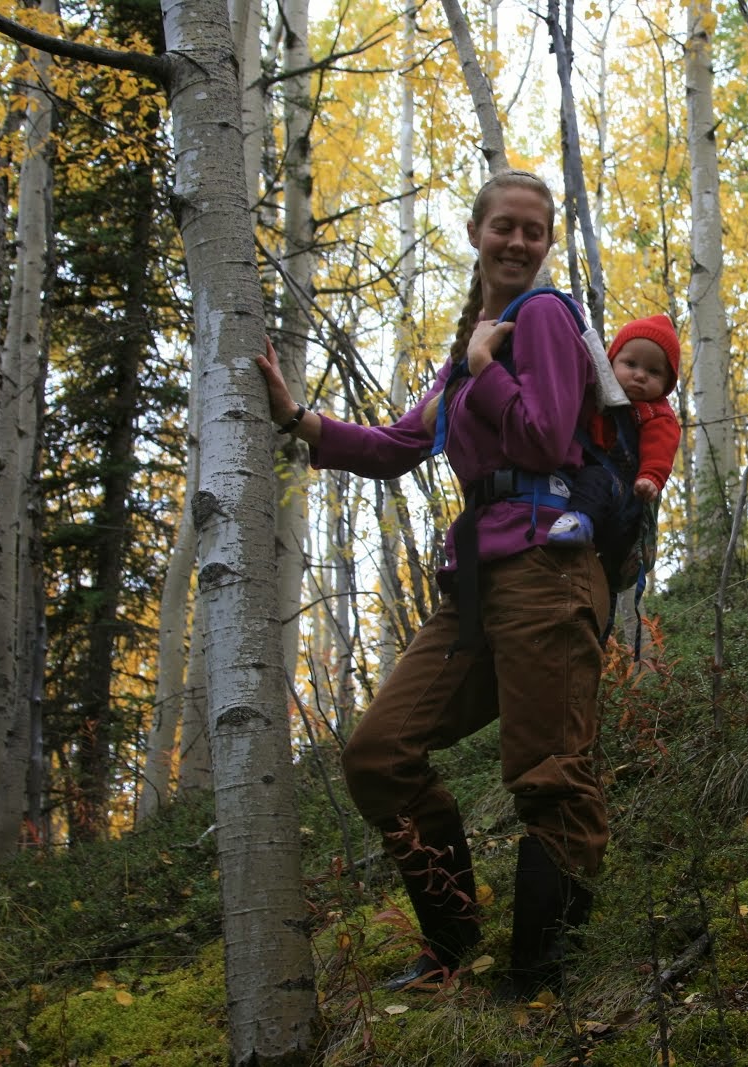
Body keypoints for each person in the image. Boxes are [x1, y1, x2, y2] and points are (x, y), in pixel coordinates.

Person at [255, 170, 610, 998]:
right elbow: (395, 444)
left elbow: (547, 434)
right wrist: (297, 419)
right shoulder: (469, 349)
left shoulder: (547, 317)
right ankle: (453, 944)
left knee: (548, 770)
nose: (519, 242)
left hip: (549, 570)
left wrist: (487, 364)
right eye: (505, 227)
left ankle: (540, 976)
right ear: (476, 232)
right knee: (379, 753)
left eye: (535, 230)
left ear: (548, 242)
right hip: (480, 587)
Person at [546, 314, 681, 547]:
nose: (640, 375)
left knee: (596, 479)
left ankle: (579, 523)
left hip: (623, 491)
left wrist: (651, 477)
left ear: (667, 382)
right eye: (630, 364)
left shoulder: (656, 414)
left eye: (654, 372)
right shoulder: (598, 396)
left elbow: (661, 447)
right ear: (612, 362)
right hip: (586, 480)